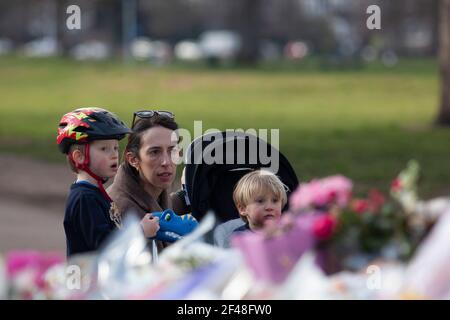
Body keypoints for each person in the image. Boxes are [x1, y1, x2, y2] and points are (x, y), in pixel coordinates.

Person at [57, 108, 160, 257]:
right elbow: (105, 246)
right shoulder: (84, 198)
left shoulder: (95, 192)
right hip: (87, 278)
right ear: (79, 157)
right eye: (104, 149)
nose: (113, 155)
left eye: (116, 148)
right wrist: (140, 231)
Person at [108, 110, 188, 254]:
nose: (166, 162)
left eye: (172, 150)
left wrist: (188, 196)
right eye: (154, 152)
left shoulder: (154, 193)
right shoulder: (120, 209)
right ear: (133, 159)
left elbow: (164, 207)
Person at [213, 169, 287, 248]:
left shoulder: (287, 233)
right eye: (260, 201)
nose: (269, 207)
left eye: (275, 201)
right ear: (243, 209)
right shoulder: (239, 238)